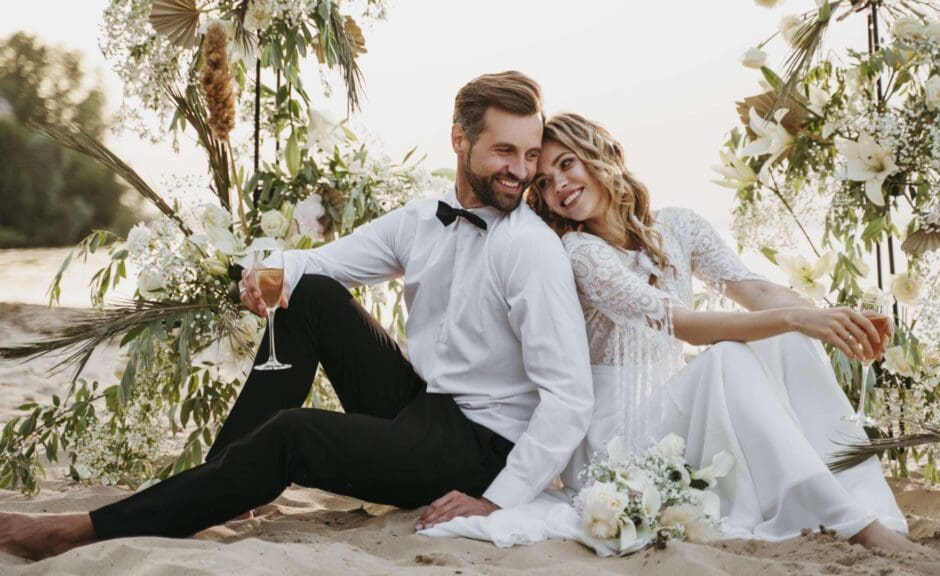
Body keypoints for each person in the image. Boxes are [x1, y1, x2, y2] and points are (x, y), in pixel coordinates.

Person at [0, 72, 594, 561]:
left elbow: (569, 397)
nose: (520, 169)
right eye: (504, 151)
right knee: (308, 291)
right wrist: (264, 271)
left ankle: (81, 530)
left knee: (292, 432)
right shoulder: (421, 219)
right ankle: (220, 484)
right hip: (425, 408)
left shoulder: (529, 249)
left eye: (530, 154)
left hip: (481, 451)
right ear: (459, 142)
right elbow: (319, 263)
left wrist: (499, 499)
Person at [421, 112, 927, 556]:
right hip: (612, 438)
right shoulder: (581, 253)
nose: (559, 185)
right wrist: (799, 318)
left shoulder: (680, 226)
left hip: (674, 412)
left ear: (609, 154)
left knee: (786, 339)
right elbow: (684, 325)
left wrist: (826, 314)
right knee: (730, 357)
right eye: (547, 182)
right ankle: (850, 524)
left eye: (567, 164)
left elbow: (756, 293)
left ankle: (865, 506)